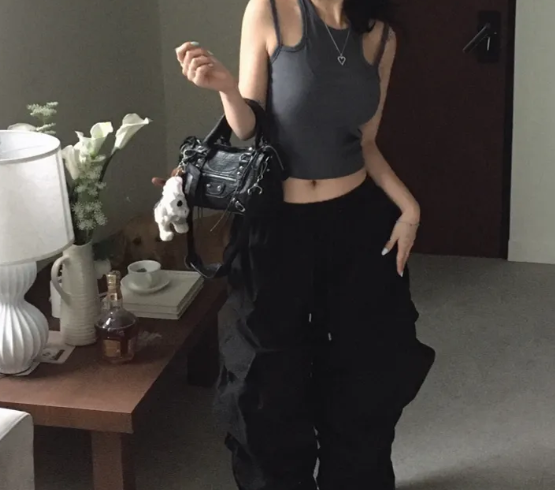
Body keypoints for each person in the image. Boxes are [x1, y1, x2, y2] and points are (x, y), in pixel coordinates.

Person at [155, 0, 435, 488]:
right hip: (277, 227)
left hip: (356, 223)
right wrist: (226, 88)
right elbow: (249, 128)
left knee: (367, 370)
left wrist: (410, 208)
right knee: (265, 379)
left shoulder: (382, 37)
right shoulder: (268, 10)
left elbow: (366, 143)